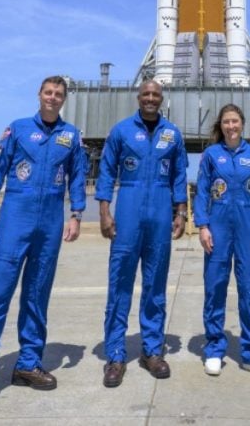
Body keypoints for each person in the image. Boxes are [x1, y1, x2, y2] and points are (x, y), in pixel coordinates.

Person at [0, 76, 87, 421]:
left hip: (50, 222)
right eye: (48, 92)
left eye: (58, 94)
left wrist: (76, 214)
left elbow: (77, 177)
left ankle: (28, 364)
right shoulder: (17, 130)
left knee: (37, 295)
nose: (53, 98)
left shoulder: (70, 136)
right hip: (15, 218)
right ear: (39, 95)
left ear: (64, 99)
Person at [96, 79, 188, 387]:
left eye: (155, 95)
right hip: (129, 210)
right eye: (146, 94)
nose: (150, 98)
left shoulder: (172, 134)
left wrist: (181, 212)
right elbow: (107, 172)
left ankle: (151, 351)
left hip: (160, 213)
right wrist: (104, 211)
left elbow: (178, 176)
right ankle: (116, 355)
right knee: (120, 283)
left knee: (155, 286)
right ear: (139, 97)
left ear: (162, 99)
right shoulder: (121, 131)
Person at [193, 104, 250, 378]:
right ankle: (214, 348)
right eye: (226, 122)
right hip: (217, 225)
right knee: (215, 286)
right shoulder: (211, 155)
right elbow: (202, 191)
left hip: (248, 226)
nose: (231, 126)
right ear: (221, 125)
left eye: (235, 121)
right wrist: (202, 226)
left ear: (242, 124)